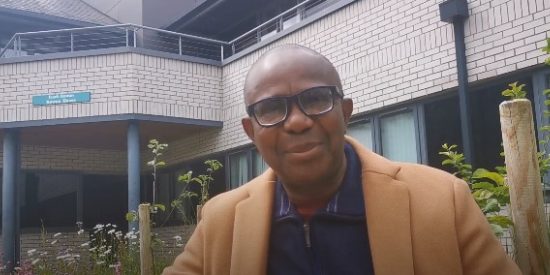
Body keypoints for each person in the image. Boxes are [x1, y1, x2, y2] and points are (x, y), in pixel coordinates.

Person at [163, 44, 521, 275]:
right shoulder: (220, 222)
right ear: (250, 130)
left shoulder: (443, 201)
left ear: (345, 112)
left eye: (316, 99)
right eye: (271, 108)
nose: (299, 121)